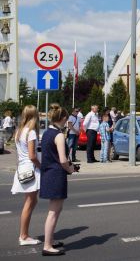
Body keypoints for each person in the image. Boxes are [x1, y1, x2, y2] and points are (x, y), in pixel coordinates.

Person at [40, 104, 79, 256]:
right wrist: (70, 169)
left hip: (48, 173)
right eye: (66, 119)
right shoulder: (59, 136)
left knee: (54, 210)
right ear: (63, 119)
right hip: (56, 174)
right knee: (54, 212)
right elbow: (63, 160)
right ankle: (47, 246)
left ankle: (49, 240)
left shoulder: (47, 132)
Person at [11, 105, 41, 246]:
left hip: (22, 168)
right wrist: (42, 167)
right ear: (35, 116)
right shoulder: (31, 132)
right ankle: (23, 236)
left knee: (30, 202)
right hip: (31, 169)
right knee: (29, 203)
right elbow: (32, 156)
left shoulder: (19, 131)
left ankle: (24, 234)